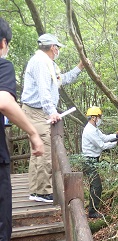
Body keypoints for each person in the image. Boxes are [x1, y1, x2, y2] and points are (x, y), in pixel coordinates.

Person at [0, 17, 44, 241]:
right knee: (2, 228)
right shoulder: (3, 64)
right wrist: (33, 133)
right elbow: (5, 102)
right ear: (3, 43)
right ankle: (40, 193)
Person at [21, 33, 85, 203]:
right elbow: (44, 90)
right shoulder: (41, 62)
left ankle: (36, 190)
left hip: (35, 111)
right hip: (36, 112)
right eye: (57, 47)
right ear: (52, 47)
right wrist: (51, 111)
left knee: (38, 151)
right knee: (45, 151)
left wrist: (80, 67)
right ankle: (43, 192)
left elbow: (60, 80)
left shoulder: (47, 63)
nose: (58, 50)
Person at [81, 107, 118, 218]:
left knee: (95, 185)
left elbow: (104, 137)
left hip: (94, 160)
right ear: (93, 117)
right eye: (99, 117)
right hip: (89, 161)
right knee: (96, 186)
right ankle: (92, 212)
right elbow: (102, 145)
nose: (100, 119)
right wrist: (117, 143)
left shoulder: (94, 128)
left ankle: (93, 208)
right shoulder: (89, 130)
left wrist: (116, 136)